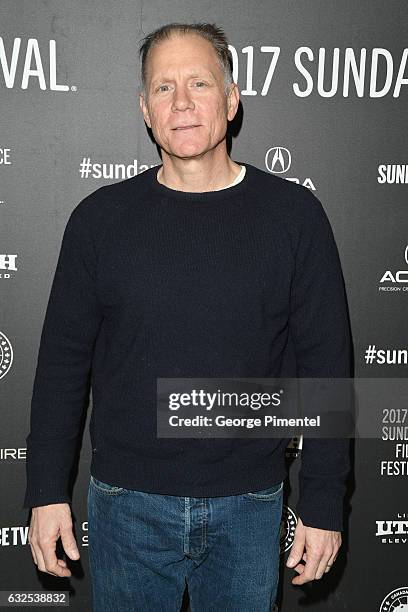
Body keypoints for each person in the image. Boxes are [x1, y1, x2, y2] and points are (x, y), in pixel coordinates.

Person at [23, 22, 352, 611]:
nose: (181, 103)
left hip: (250, 505)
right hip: (125, 505)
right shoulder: (98, 221)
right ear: (145, 110)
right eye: (162, 87)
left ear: (231, 98)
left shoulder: (295, 217)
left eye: (199, 83)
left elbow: (327, 370)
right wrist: (47, 491)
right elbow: (60, 368)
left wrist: (324, 504)